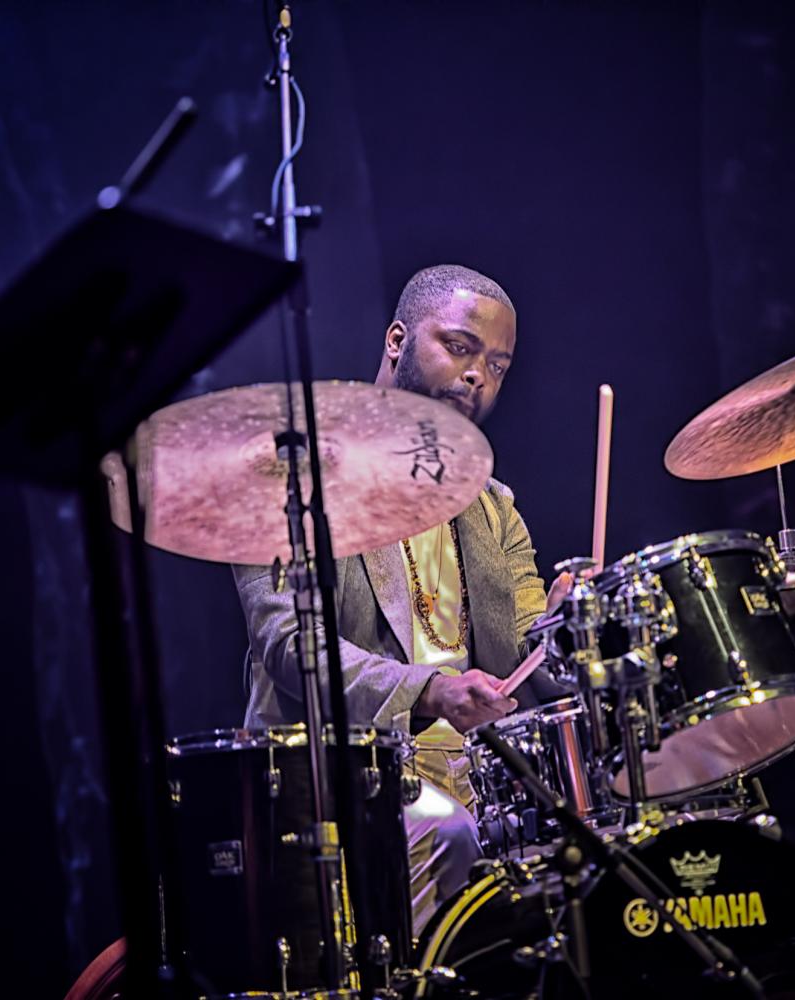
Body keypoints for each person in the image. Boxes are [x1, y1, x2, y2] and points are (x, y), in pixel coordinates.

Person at [233, 264, 570, 932]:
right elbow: (291, 646)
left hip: (482, 782)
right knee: (448, 836)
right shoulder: (296, 484)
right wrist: (429, 691)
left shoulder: (493, 507)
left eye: (498, 365)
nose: (479, 376)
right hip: (340, 787)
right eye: (461, 347)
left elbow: (533, 641)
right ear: (397, 340)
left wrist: (571, 621)